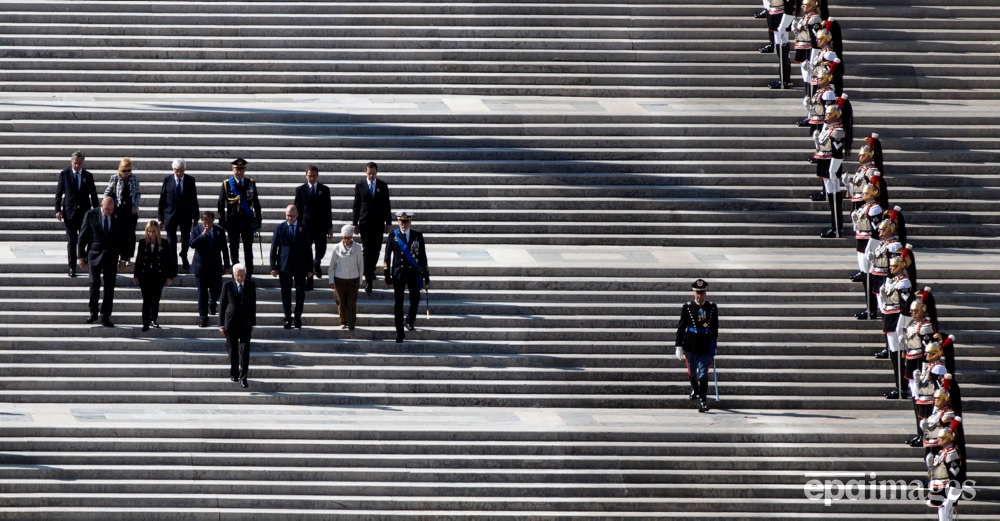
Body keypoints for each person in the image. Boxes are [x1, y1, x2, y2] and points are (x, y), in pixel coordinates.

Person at [77, 196, 128, 327]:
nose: (110, 212)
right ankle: (93, 313)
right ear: (101, 206)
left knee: (109, 286)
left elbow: (124, 238)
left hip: (111, 257)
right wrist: (80, 257)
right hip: (94, 255)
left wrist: (123, 259)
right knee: (94, 284)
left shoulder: (119, 216)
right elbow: (82, 237)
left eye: (112, 209)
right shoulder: (91, 214)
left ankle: (105, 316)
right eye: (107, 209)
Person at [673, 279, 719, 413]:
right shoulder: (687, 307)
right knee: (692, 372)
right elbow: (681, 327)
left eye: (702, 292)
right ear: (693, 293)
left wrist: (714, 345)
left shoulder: (712, 307)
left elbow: (715, 328)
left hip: (705, 343)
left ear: (706, 292)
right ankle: (695, 389)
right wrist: (678, 345)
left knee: (703, 373)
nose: (700, 295)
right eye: (697, 292)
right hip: (691, 343)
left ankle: (703, 402)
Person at [383, 211, 429, 343]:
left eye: (406, 222)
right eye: (401, 221)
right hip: (399, 274)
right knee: (398, 304)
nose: (403, 224)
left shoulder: (417, 236)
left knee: (415, 299)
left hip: (414, 273)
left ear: (410, 222)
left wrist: (426, 276)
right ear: (398, 222)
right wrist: (387, 273)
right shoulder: (393, 235)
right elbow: (387, 256)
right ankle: (399, 332)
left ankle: (410, 320)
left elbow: (422, 257)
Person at [55, 150, 99, 278]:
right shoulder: (64, 174)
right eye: (75, 163)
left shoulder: (88, 176)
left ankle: (87, 260)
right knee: (72, 240)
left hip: (85, 213)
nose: (77, 166)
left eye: (79, 164)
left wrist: (97, 212)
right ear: (71, 162)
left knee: (85, 238)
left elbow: (94, 195)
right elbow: (59, 193)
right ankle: (72, 267)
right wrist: (57, 210)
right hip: (69, 213)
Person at [353, 161, 393, 295]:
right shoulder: (360, 185)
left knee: (376, 250)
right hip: (364, 223)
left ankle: (370, 269)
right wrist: (355, 223)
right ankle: (368, 278)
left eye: (374, 174)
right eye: (369, 173)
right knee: (366, 250)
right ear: (365, 171)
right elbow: (356, 205)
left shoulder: (382, 185)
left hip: (378, 223)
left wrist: (388, 223)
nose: (371, 176)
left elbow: (387, 205)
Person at [270, 205, 313, 329]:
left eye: (292, 216)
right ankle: (287, 318)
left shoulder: (303, 228)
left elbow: (308, 249)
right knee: (285, 293)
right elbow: (274, 249)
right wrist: (273, 266)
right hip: (284, 266)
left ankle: (297, 317)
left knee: (300, 293)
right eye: (288, 215)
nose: (290, 218)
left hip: (300, 266)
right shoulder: (280, 228)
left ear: (297, 215)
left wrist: (310, 268)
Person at [218, 158, 262, 276]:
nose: (239, 172)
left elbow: (256, 202)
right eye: (237, 169)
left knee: (248, 249)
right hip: (233, 222)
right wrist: (222, 221)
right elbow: (221, 203)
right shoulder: (227, 184)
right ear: (233, 169)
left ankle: (249, 274)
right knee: (234, 249)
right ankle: (236, 273)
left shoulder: (251, 183)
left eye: (241, 169)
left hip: (247, 222)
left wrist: (258, 219)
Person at [293, 165, 333, 291]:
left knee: (321, 249)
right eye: (310, 176)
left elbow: (328, 209)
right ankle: (309, 281)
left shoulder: (324, 190)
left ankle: (317, 263)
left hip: (321, 226)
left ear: (318, 176)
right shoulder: (300, 190)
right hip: (305, 227)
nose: (312, 178)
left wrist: (330, 227)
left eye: (314, 176)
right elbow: (297, 208)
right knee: (306, 254)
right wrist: (296, 225)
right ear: (306, 176)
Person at [190, 211, 231, 327]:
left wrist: (227, 265)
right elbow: (192, 244)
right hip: (200, 268)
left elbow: (224, 249)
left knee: (217, 290)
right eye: (204, 221)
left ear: (213, 220)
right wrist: (203, 234)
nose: (207, 224)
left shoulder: (220, 231)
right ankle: (203, 318)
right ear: (201, 221)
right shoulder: (196, 230)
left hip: (215, 266)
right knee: (202, 294)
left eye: (209, 221)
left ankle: (212, 304)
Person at [157, 158, 199, 272]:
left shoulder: (190, 180)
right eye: (177, 170)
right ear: (173, 169)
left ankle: (183, 254)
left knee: (185, 239)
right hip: (170, 216)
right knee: (171, 242)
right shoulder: (167, 180)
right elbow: (162, 200)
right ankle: (173, 266)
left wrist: (196, 218)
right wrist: (160, 218)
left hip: (185, 216)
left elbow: (194, 199)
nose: (179, 173)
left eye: (181, 170)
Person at [133, 220, 174, 331]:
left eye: (153, 231)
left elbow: (168, 261)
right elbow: (139, 260)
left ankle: (153, 319)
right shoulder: (142, 243)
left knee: (155, 299)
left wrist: (169, 276)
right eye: (149, 231)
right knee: (147, 299)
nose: (151, 234)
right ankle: (145, 323)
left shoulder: (164, 243)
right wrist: (136, 275)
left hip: (158, 274)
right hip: (145, 275)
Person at [219, 263, 256, 388]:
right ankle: (234, 373)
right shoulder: (227, 285)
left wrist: (253, 323)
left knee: (245, 351)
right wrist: (221, 324)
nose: (240, 278)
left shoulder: (251, 285)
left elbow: (253, 305)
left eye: (242, 275)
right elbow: (223, 305)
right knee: (233, 350)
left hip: (245, 323)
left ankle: (244, 377)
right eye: (237, 276)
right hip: (231, 322)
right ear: (233, 275)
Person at [103, 157, 140, 263]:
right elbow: (108, 192)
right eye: (124, 170)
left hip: (130, 209)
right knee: (117, 233)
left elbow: (137, 193)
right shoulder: (115, 178)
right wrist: (107, 203)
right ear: (120, 170)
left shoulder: (135, 179)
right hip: (118, 209)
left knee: (130, 234)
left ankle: (128, 256)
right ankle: (118, 254)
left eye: (129, 170)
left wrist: (135, 205)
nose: (127, 173)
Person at [328, 224, 364, 331]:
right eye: (344, 238)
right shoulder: (337, 247)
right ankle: (343, 321)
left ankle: (351, 323)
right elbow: (332, 265)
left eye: (348, 238)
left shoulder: (357, 247)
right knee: (341, 302)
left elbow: (360, 265)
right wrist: (331, 281)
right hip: (339, 279)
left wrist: (360, 280)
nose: (346, 240)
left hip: (353, 278)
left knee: (351, 302)